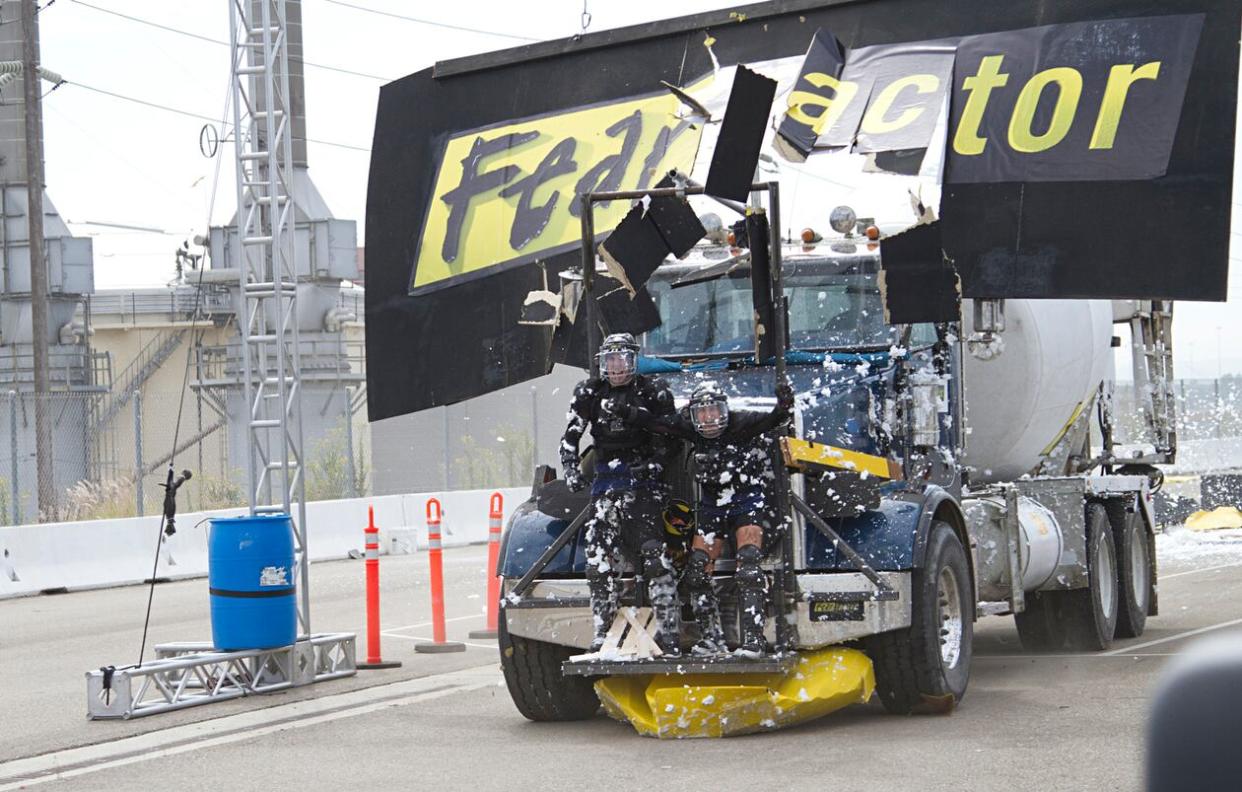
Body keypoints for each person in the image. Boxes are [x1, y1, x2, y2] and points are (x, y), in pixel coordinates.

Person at [611, 379, 794, 656]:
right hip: (711, 506)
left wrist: (783, 404)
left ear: (724, 410)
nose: (709, 419)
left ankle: (753, 641)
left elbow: (771, 420)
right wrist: (628, 413)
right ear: (693, 416)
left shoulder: (740, 423)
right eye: (702, 413)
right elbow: (659, 424)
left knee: (748, 565)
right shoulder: (689, 429)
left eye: (714, 411)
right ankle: (712, 638)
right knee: (696, 571)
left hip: (745, 500)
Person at [560, 333, 682, 656]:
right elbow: (570, 435)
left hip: (642, 484)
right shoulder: (589, 392)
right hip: (604, 483)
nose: (615, 367)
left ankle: (669, 631)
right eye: (609, 360)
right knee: (596, 559)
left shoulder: (652, 390)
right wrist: (570, 467)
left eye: (622, 359)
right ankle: (603, 626)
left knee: (655, 557)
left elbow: (673, 437)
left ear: (634, 361)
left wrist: (653, 465)